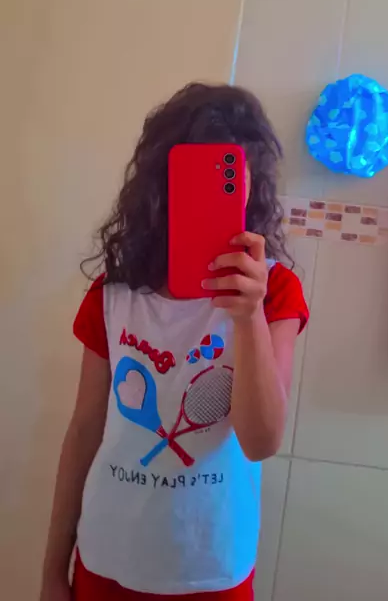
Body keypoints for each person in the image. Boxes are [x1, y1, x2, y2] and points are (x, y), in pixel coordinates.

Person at [40, 83, 309, 601]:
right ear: (162, 184)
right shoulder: (114, 294)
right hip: (105, 557)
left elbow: (260, 442)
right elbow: (84, 431)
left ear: (250, 184)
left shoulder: (275, 292)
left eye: (229, 174)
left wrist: (247, 316)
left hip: (212, 568)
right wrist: (53, 570)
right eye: (192, 176)